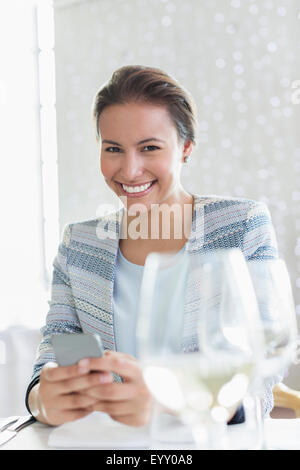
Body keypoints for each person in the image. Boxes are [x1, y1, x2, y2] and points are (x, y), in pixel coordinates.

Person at [26, 65, 279, 427]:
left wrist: (169, 399)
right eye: (113, 148)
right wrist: (41, 399)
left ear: (185, 147)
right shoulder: (78, 245)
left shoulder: (242, 226)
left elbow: (264, 373)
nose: (129, 170)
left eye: (149, 148)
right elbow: (53, 354)